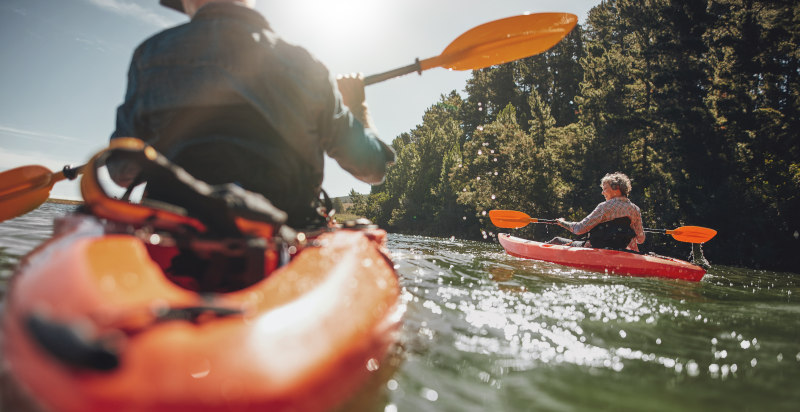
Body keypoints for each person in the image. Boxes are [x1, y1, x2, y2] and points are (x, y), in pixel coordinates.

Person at [107, 0, 395, 228]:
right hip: (284, 233)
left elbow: (120, 171)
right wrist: (357, 105)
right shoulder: (309, 68)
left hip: (171, 229)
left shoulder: (148, 56)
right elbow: (372, 167)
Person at [550, 172, 646, 251]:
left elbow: (580, 229)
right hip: (622, 251)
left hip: (596, 249)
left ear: (616, 188)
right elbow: (640, 240)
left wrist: (562, 223)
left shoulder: (605, 207)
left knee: (557, 240)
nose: (602, 192)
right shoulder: (635, 209)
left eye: (605, 189)